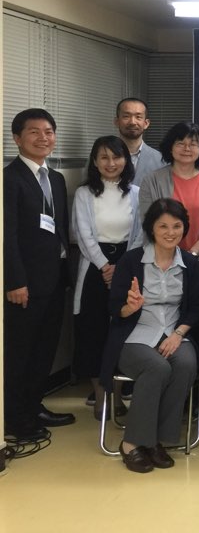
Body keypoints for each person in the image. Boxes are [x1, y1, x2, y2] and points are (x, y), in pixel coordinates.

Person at [100, 198, 199, 473]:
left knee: (185, 364)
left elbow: (195, 308)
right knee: (157, 367)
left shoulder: (190, 263)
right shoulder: (131, 261)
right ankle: (131, 443)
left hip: (175, 332)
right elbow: (113, 308)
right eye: (163, 226)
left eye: (177, 226)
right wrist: (129, 307)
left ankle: (157, 440)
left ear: (184, 228)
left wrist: (178, 335)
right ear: (151, 229)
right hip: (133, 335)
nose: (170, 232)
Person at [4, 108, 75, 441]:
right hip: (25, 285)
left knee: (44, 349)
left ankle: (34, 407)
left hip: (54, 279)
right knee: (20, 352)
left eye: (48, 132)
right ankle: (14, 420)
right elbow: (7, 235)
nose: (43, 138)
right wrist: (15, 280)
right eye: (34, 132)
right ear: (17, 138)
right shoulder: (9, 179)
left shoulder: (56, 179)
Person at [71, 135, 142, 418]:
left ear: (126, 160)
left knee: (123, 330)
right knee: (93, 330)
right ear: (95, 161)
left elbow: (140, 234)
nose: (111, 163)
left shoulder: (136, 193)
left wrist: (121, 268)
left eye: (116, 157)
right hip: (94, 267)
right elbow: (83, 234)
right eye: (104, 157)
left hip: (127, 264)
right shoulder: (84, 193)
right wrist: (105, 266)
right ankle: (101, 397)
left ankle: (119, 395)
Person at [138, 121, 199, 347]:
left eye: (193, 143)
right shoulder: (152, 180)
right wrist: (174, 255)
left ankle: (192, 361)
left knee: (195, 316)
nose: (187, 148)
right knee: (161, 312)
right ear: (170, 146)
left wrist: (191, 255)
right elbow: (148, 221)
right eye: (180, 143)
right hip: (161, 261)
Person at [114, 97, 163, 186]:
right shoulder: (102, 157)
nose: (132, 122)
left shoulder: (160, 160)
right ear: (117, 121)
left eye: (138, 117)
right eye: (126, 116)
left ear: (146, 123)